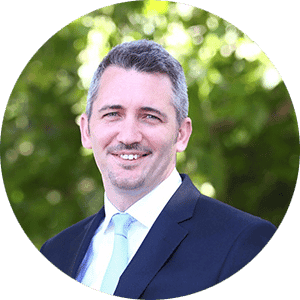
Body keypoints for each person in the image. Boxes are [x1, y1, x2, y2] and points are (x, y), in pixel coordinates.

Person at [40, 39, 276, 299]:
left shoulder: (244, 245)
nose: (128, 135)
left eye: (150, 116)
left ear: (182, 134)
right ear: (86, 130)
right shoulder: (55, 254)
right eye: (112, 114)